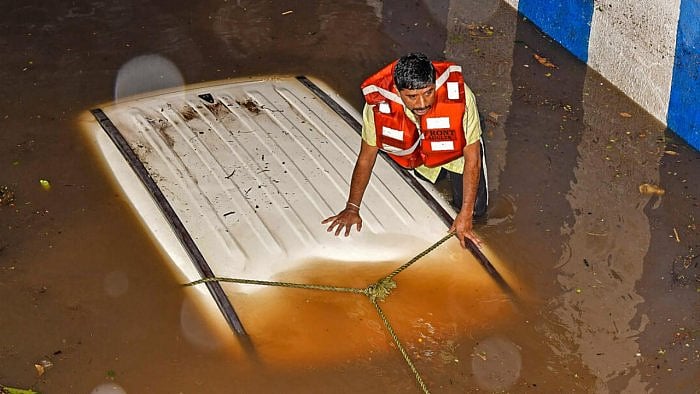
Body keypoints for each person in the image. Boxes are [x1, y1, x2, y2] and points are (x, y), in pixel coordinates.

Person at [322, 53, 488, 248]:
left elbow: (472, 158)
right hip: (420, 153)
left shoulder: (461, 96)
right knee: (426, 179)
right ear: (397, 91)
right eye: (412, 97)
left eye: (428, 92)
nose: (422, 103)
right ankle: (433, 169)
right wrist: (352, 208)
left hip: (458, 151)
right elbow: (366, 159)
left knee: (477, 211)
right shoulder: (377, 105)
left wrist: (465, 213)